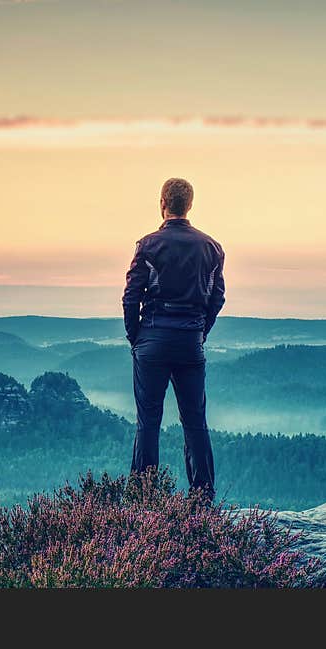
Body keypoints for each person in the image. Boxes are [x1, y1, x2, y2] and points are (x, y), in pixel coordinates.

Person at [122, 177, 225, 499]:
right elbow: (217, 297)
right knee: (195, 420)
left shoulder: (148, 245)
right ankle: (202, 498)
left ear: (162, 203)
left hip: (152, 338)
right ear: (190, 205)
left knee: (148, 421)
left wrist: (135, 338)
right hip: (190, 341)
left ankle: (143, 498)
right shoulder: (211, 248)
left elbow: (131, 296)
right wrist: (200, 332)